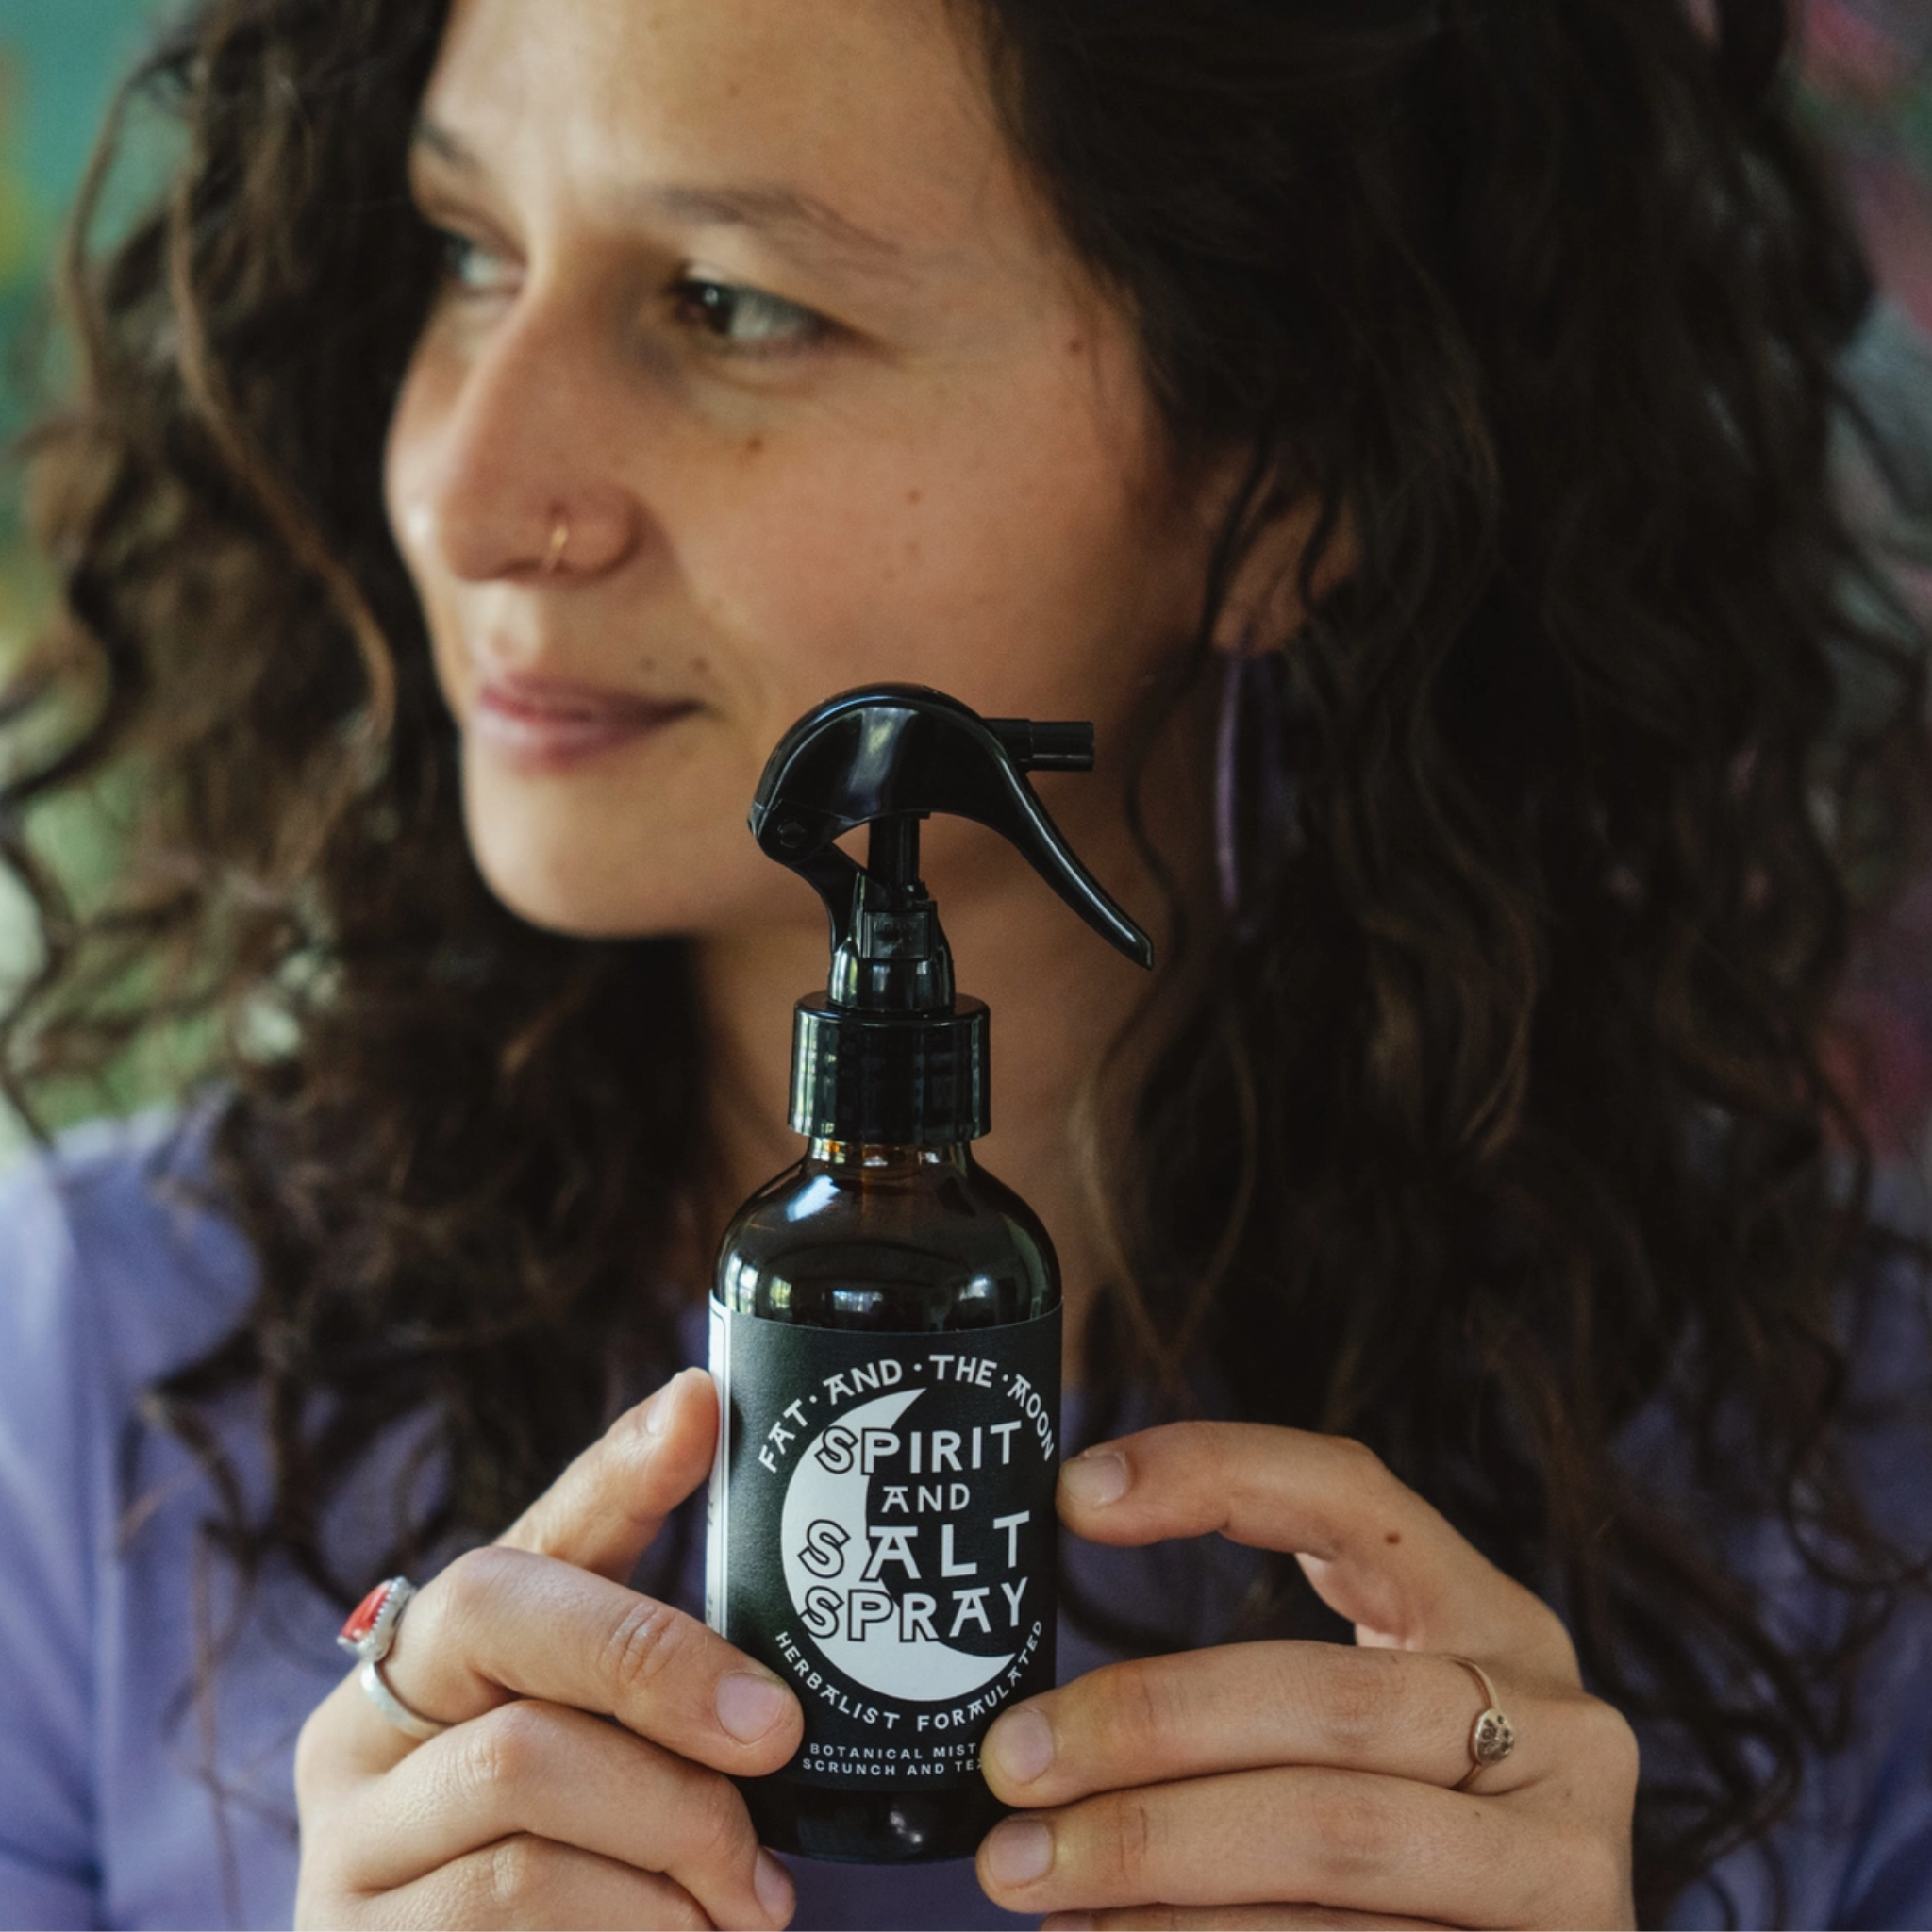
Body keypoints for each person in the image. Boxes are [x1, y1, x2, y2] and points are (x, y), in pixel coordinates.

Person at [2, 0, 1929, 1925]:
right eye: (468, 251)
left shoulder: (1853, 1469)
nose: (467, 492)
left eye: (732, 305)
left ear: (1291, 461)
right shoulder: (88, 1369)